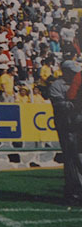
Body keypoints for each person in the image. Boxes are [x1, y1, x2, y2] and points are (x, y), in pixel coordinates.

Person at [49, 60, 82, 204]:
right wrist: (75, 104)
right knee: (71, 159)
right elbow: (59, 106)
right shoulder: (56, 86)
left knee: (78, 157)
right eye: (72, 72)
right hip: (66, 126)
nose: (75, 75)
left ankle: (75, 191)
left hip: (78, 125)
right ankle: (73, 191)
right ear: (65, 71)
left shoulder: (77, 84)